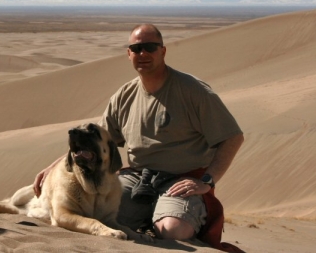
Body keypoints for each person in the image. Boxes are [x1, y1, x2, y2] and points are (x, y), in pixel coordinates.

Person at [34, 24, 244, 245]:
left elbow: (233, 137)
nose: (143, 54)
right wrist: (53, 167)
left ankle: (163, 220)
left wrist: (207, 181)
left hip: (180, 179)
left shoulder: (192, 91)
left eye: (150, 47)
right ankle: (145, 218)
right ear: (128, 54)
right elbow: (94, 143)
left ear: (163, 51)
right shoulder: (124, 95)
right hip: (136, 178)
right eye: (136, 48)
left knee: (173, 231)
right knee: (90, 217)